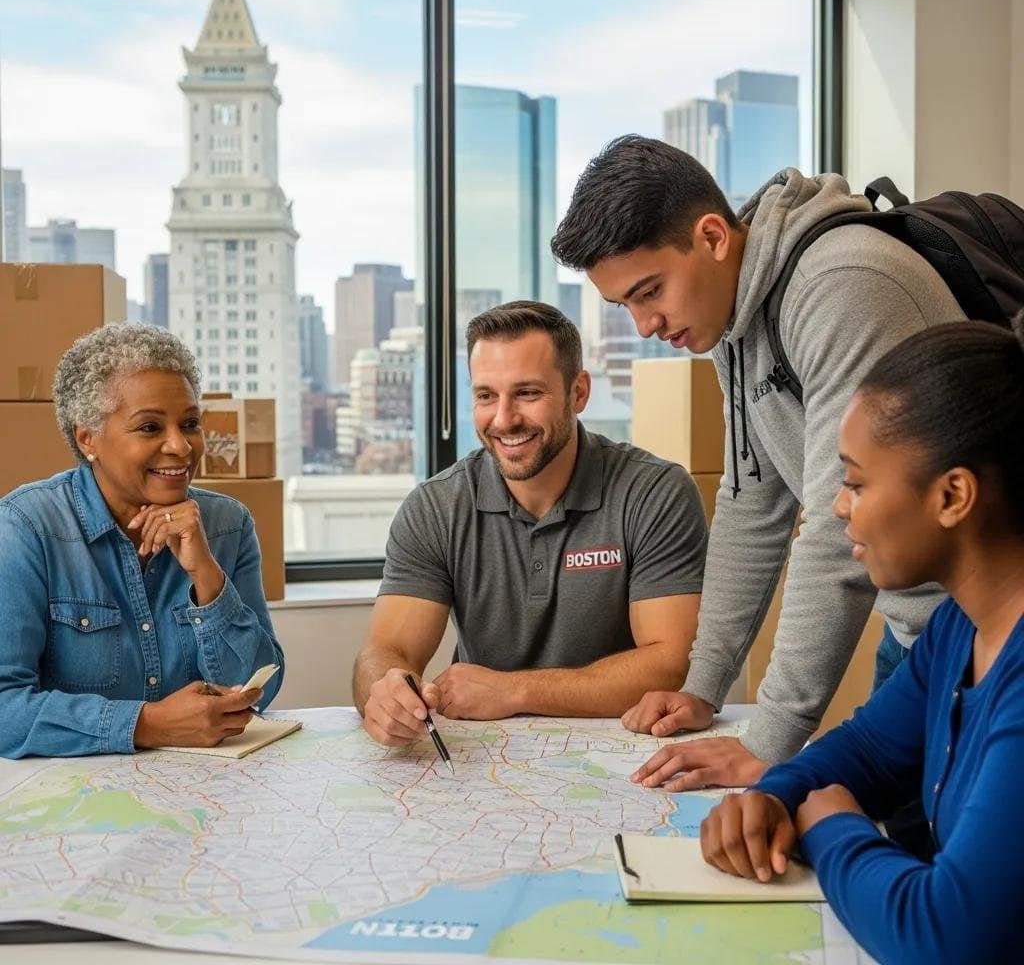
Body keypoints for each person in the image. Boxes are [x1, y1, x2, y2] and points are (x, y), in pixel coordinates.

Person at [550, 135, 964, 787]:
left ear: (713, 236)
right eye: (623, 305)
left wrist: (768, 741)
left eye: (649, 290)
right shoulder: (733, 322)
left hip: (993, 641)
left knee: (955, 876)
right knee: (893, 837)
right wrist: (703, 686)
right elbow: (753, 503)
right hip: (921, 632)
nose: (645, 326)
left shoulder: (842, 287)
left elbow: (835, 527)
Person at [694, 314, 1024, 964]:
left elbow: (945, 936)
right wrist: (772, 796)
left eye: (856, 482)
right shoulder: (961, 624)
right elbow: (871, 750)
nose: (839, 507)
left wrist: (829, 825)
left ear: (953, 495)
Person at [355, 301, 708, 746]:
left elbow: (671, 663)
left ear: (578, 393)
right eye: (486, 395)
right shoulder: (435, 507)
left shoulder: (655, 492)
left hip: (626, 750)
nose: (504, 419)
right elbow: (386, 652)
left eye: (527, 393)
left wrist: (513, 690)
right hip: (485, 760)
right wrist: (382, 692)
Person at [0, 323, 284, 759]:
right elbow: (5, 708)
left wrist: (205, 576)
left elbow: (261, 686)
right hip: (77, 804)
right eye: (150, 427)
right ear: (87, 437)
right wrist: (146, 724)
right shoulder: (26, 528)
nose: (181, 446)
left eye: (190, 423)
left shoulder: (227, 524)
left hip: (204, 798)